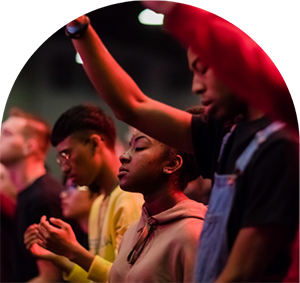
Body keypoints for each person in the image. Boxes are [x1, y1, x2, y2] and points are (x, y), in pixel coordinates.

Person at [61, 1, 300, 282]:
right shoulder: (226, 133)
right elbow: (132, 106)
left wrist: (177, 10)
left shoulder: (278, 146)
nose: (195, 86)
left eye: (203, 69)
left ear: (239, 57)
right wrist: (78, 29)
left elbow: (241, 273)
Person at [24, 104, 143, 283]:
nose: (64, 168)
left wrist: (73, 250)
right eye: (60, 159)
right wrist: (58, 255)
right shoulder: (98, 203)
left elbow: (127, 279)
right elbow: (97, 278)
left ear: (95, 144)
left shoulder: (129, 197)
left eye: (67, 154)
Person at [0, 107, 64, 283]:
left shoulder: (42, 198)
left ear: (29, 147)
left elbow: (51, 278)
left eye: (6, 133)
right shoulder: (26, 195)